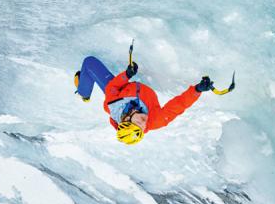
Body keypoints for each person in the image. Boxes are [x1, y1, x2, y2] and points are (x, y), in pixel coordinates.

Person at [74, 55, 216, 145]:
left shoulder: (113, 104)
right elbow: (178, 105)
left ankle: (83, 92)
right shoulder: (156, 121)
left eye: (138, 122)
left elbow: (114, 86)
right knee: (90, 65)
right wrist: (197, 90)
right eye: (142, 127)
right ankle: (84, 89)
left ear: (127, 118)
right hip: (138, 92)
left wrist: (127, 75)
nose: (144, 121)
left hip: (122, 91)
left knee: (89, 62)